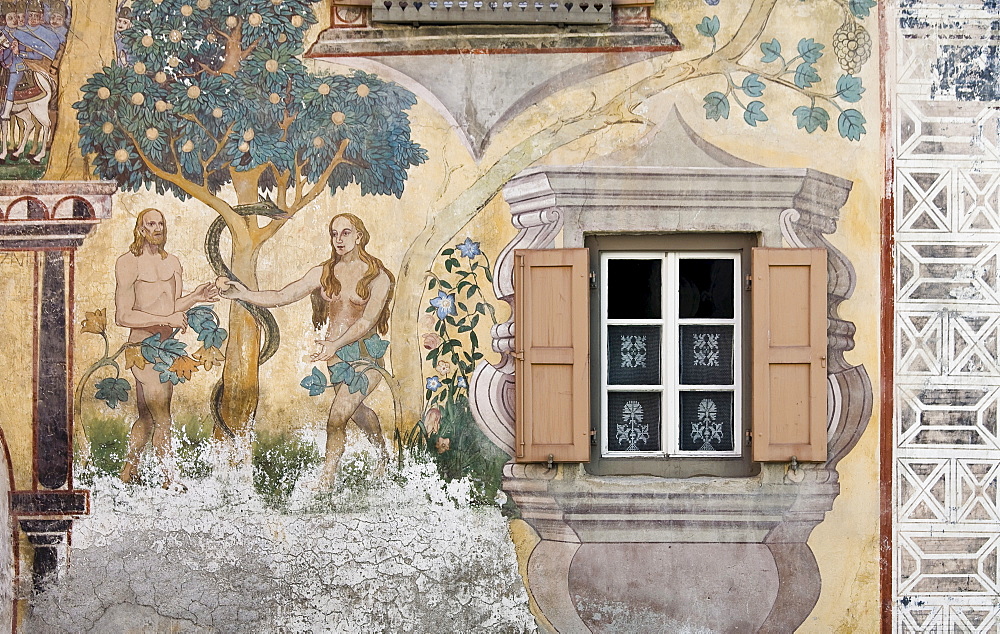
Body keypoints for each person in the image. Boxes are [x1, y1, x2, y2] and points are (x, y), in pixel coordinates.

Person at [220, 213, 394, 487]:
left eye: (346, 233)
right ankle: (384, 456)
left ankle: (326, 481)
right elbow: (282, 295)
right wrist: (242, 293)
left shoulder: (377, 276)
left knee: (337, 417)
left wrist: (335, 344)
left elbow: (366, 320)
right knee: (356, 411)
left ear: (359, 236)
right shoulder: (324, 273)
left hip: (365, 357)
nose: (339, 239)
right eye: (334, 234)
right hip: (335, 359)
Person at [115, 208, 218, 485]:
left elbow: (172, 307)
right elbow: (123, 315)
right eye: (151, 224)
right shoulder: (128, 263)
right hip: (142, 347)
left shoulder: (172, 262)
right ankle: (169, 478)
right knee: (163, 416)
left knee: (148, 417)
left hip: (166, 347)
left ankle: (127, 474)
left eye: (161, 223)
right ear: (140, 229)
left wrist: (196, 296)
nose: (157, 228)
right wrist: (165, 318)